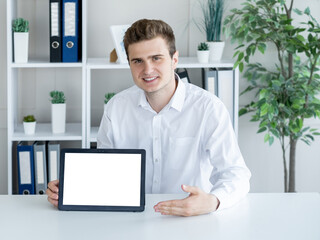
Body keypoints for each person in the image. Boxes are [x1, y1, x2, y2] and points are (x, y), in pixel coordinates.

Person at [46, 19, 251, 217]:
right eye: (138, 61)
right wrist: (70, 188)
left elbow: (236, 174)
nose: (147, 70)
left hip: (190, 220)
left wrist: (213, 201)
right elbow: (105, 174)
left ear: (174, 59)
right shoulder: (116, 108)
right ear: (129, 64)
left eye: (156, 58)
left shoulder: (208, 108)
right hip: (131, 220)